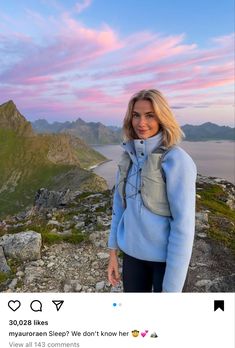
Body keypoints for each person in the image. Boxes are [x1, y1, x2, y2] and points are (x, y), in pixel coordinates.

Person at [107, 89, 197, 292]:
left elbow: (183, 226)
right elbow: (119, 207)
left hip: (164, 263)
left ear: (162, 118)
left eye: (150, 115)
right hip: (132, 258)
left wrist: (172, 291)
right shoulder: (127, 157)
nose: (141, 123)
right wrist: (113, 252)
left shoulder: (176, 160)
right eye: (136, 115)